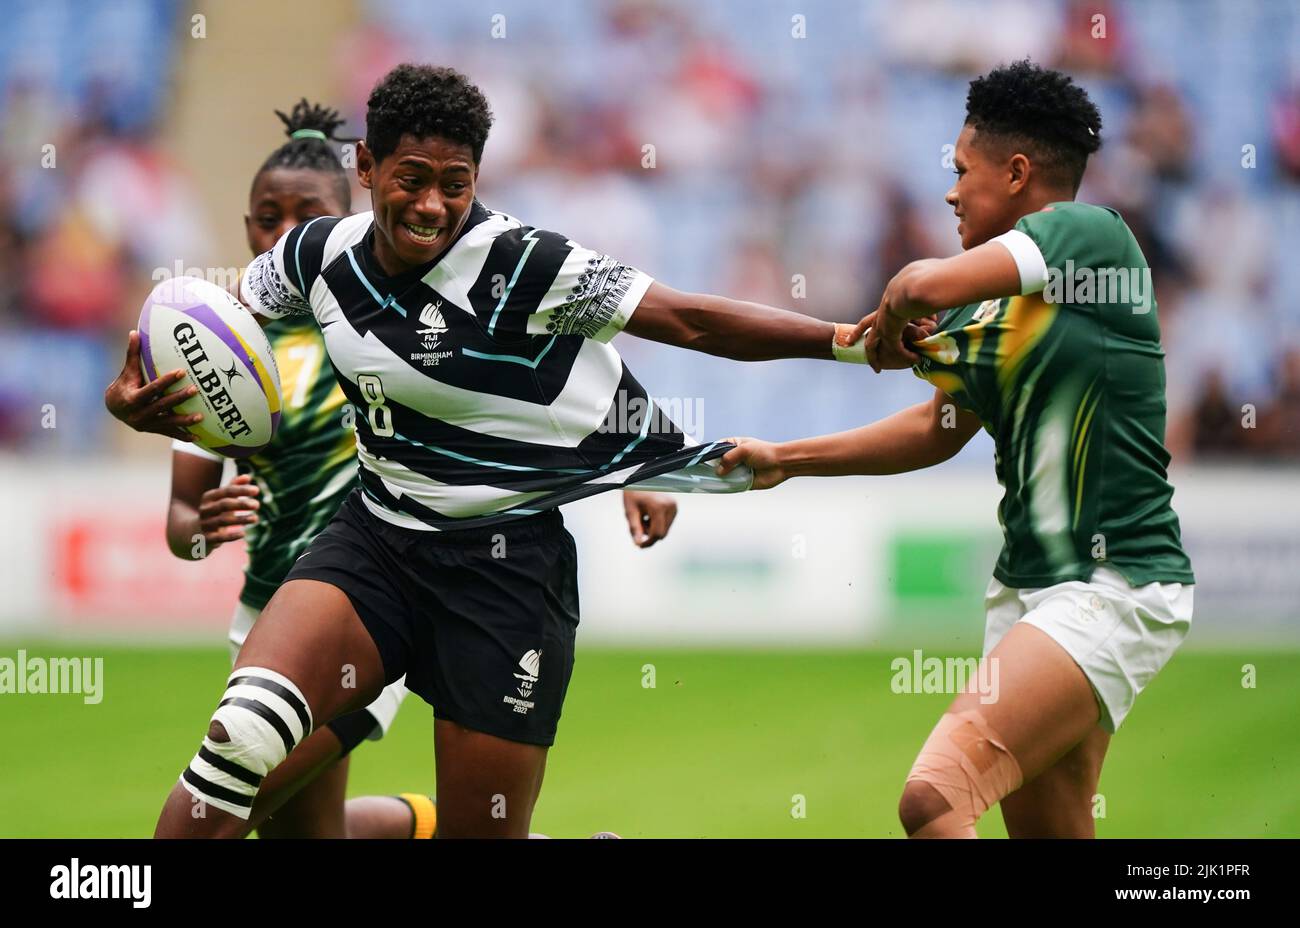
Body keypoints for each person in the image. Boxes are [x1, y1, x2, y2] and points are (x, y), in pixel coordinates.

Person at [105, 62, 928, 838]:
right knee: (240, 741)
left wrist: (848, 344)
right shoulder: (315, 255)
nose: (432, 205)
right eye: (412, 179)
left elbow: (687, 320)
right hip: (374, 546)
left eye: (455, 185)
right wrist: (138, 393)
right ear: (366, 165)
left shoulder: (526, 262)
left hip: (505, 578)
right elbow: (210, 335)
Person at [113, 92, 681, 838]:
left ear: (351, 199)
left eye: (304, 213)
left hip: (373, 592)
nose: (285, 232)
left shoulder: (405, 316)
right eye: (266, 216)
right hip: (274, 606)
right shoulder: (222, 361)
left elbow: (554, 369)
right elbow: (183, 525)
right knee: (301, 833)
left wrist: (647, 461)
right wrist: (193, 519)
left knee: (233, 784)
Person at [718, 60, 1195, 838]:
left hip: (1113, 584)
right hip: (1026, 592)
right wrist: (787, 457)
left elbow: (919, 286)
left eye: (960, 171)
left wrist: (897, 306)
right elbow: (936, 430)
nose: (949, 191)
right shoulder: (993, 302)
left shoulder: (1091, 238)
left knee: (935, 798)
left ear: (1016, 174)